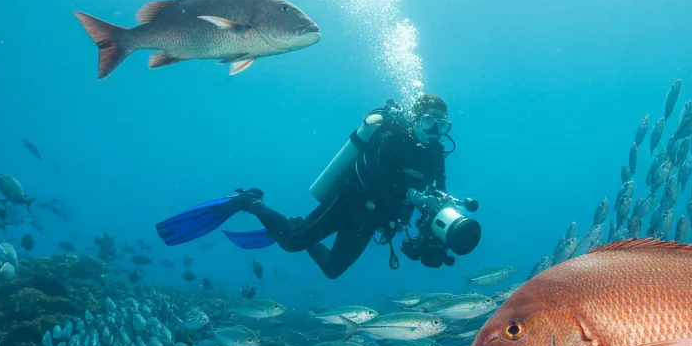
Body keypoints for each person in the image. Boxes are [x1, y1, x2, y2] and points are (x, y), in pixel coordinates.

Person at [156, 94, 480, 279]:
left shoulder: (437, 154)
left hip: (376, 220)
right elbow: (377, 178)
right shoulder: (393, 137)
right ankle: (248, 202)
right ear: (416, 118)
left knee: (333, 269)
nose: (435, 131)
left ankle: (298, 226)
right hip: (351, 200)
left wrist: (433, 235)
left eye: (442, 125)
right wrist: (412, 196)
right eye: (429, 122)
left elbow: (437, 197)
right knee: (293, 244)